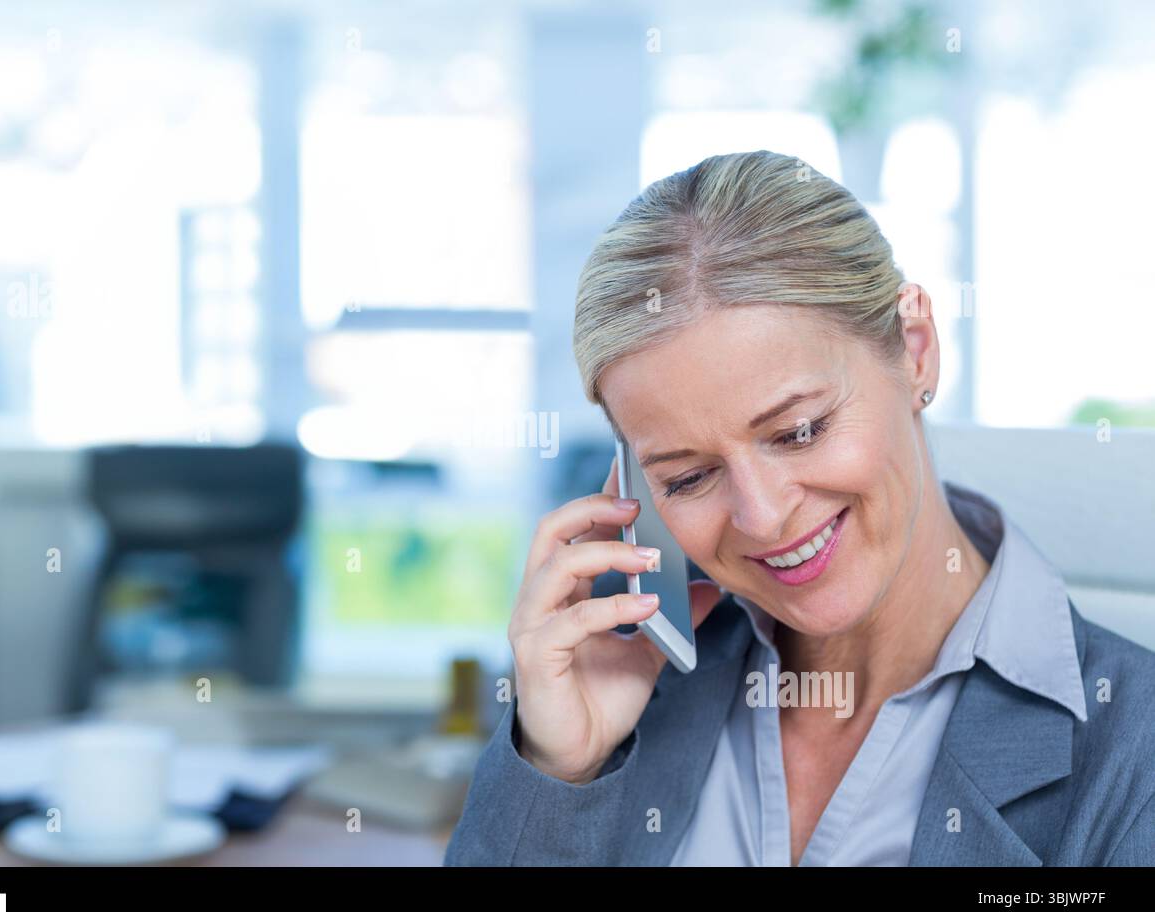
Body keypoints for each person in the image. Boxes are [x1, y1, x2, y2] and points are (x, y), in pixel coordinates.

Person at [444, 150, 1155, 866]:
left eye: (799, 431)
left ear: (915, 351)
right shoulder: (633, 697)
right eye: (689, 477)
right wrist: (558, 774)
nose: (761, 516)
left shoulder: (1133, 752)